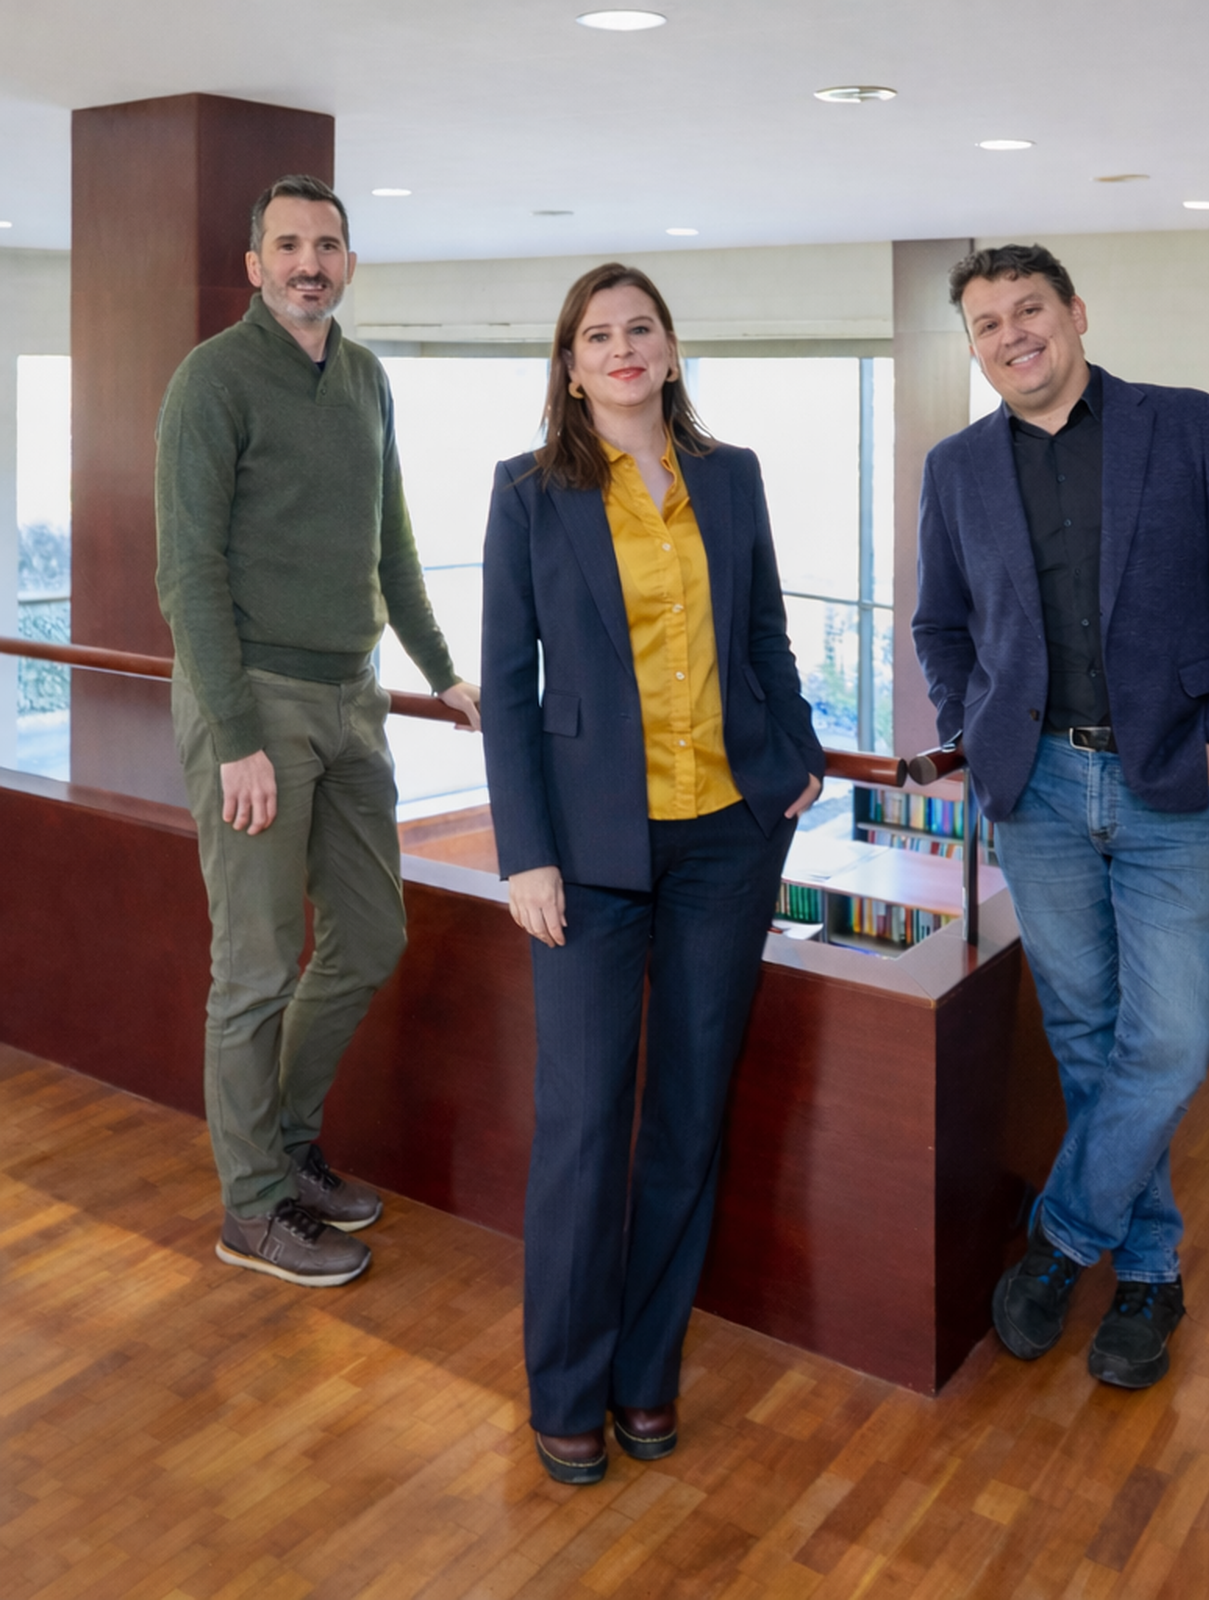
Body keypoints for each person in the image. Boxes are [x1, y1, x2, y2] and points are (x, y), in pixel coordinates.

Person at [913, 243, 1209, 1388]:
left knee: (1168, 1042)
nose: (1011, 334)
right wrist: (972, 730)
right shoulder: (956, 466)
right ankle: (1148, 1274)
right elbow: (942, 625)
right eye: (986, 323)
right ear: (973, 348)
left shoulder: (1183, 424)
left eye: (1028, 309)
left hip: (1172, 778)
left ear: (1074, 313)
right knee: (1086, 1038)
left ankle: (1064, 1238)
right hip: (1034, 791)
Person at [479, 263, 824, 1485]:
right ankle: (564, 1388)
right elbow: (508, 691)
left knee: (686, 1114)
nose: (622, 349)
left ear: (672, 351)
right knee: (582, 1124)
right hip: (584, 854)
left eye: (641, 329)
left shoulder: (731, 478)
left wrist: (796, 758)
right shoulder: (527, 495)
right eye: (596, 335)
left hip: (726, 834)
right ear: (569, 367)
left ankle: (645, 1376)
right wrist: (522, 850)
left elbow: (766, 630)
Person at [155, 174, 481, 1289]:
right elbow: (186, 571)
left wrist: (443, 673)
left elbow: (391, 539)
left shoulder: (366, 378)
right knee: (253, 968)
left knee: (370, 935)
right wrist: (236, 732)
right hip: (248, 702)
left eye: (327, 244)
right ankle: (249, 1209)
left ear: (348, 262)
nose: (309, 261)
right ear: (254, 265)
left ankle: (287, 1148)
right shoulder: (211, 380)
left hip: (357, 698)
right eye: (287, 245)